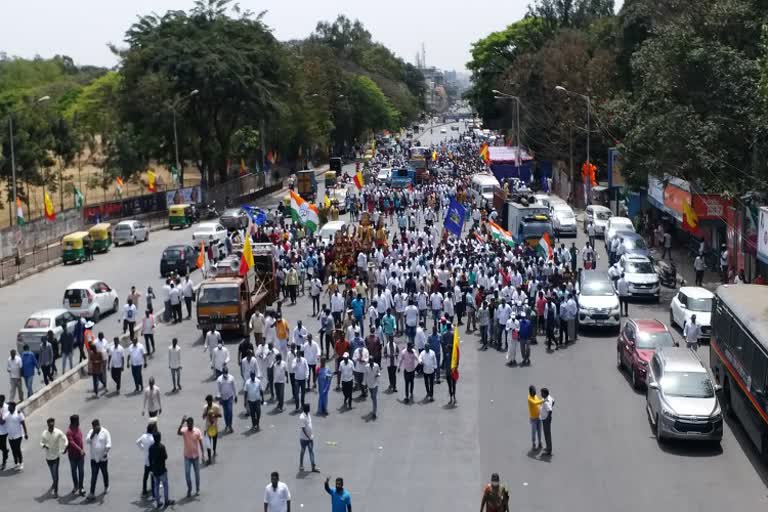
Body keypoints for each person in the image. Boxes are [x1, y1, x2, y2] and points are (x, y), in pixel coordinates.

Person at [40, 417, 68, 497]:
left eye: (52, 424)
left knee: (55, 474)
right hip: (48, 458)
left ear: (54, 424)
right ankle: (54, 483)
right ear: (47, 424)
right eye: (50, 425)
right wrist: (44, 445)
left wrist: (65, 447)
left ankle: (56, 490)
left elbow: (65, 438)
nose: (51, 426)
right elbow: (41, 443)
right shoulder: (44, 433)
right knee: (53, 474)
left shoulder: (58, 432)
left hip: (56, 457)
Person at [177, 416, 204, 497]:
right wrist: (181, 423)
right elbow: (178, 433)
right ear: (187, 424)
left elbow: (200, 442)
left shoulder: (197, 431)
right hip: (187, 457)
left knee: (197, 474)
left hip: (196, 457)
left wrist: (203, 454)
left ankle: (198, 489)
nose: (189, 426)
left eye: (191, 425)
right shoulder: (184, 430)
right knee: (187, 474)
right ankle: (189, 488)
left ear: (193, 424)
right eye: (188, 425)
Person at [86, 419, 111, 499]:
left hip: (103, 458)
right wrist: (92, 434)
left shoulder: (105, 432)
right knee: (94, 476)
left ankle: (106, 486)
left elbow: (109, 443)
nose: (95, 428)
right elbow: (87, 441)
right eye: (93, 427)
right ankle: (92, 493)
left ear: (99, 425)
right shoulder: (91, 432)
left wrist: (105, 452)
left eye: (96, 427)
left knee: (104, 473)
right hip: (94, 458)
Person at [149, 431, 174, 508]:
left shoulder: (151, 448)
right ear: (160, 438)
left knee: (156, 486)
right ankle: (166, 500)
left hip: (155, 470)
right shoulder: (162, 447)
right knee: (165, 485)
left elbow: (150, 458)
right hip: (162, 469)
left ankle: (158, 502)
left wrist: (152, 469)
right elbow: (165, 457)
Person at [65, 414, 86, 496]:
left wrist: (82, 449)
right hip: (73, 456)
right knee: (74, 471)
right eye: (77, 421)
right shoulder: (69, 431)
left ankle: (81, 487)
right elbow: (71, 442)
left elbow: (80, 440)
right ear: (74, 422)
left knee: (81, 471)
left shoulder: (78, 428)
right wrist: (80, 449)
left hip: (80, 456)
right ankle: (76, 486)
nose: (79, 422)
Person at [4, 402, 27, 470]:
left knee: (17, 449)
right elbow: (2, 421)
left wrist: (26, 433)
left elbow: (23, 423)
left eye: (9, 406)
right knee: (13, 450)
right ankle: (16, 463)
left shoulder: (19, 413)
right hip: (10, 436)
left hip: (18, 436)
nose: (8, 407)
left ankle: (21, 463)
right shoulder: (7, 414)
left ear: (13, 407)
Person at [136, 422, 156, 499]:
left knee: (145, 476)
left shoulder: (143, 436)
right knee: (153, 477)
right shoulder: (152, 439)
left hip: (146, 460)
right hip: (152, 460)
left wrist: (143, 448)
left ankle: (144, 491)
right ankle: (154, 493)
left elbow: (137, 442)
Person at [216, 366, 237, 433]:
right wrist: (219, 398)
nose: (226, 374)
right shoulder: (219, 379)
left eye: (226, 372)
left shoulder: (231, 378)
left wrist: (235, 395)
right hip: (223, 398)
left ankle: (230, 425)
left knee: (230, 411)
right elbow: (218, 389)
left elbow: (234, 387)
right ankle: (227, 425)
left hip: (230, 397)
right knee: (225, 412)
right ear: (222, 372)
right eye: (224, 372)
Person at [298, 403, 318, 472]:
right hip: (304, 438)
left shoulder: (308, 414)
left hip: (310, 438)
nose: (309, 409)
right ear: (305, 409)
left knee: (311, 451)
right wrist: (308, 436)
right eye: (308, 408)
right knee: (303, 451)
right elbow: (303, 429)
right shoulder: (302, 417)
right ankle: (301, 465)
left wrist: (310, 436)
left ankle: (313, 467)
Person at [202, 395, 222, 462]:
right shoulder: (205, 407)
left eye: (209, 401)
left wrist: (214, 415)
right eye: (207, 401)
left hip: (214, 427)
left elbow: (220, 415)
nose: (208, 403)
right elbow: (203, 417)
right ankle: (209, 457)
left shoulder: (216, 407)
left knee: (214, 440)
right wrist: (206, 413)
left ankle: (214, 449)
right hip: (207, 427)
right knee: (208, 443)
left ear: (211, 400)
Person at [528, 386, 544, 451]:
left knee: (539, 430)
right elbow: (535, 403)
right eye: (533, 391)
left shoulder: (535, 396)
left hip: (539, 417)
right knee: (534, 431)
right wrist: (543, 400)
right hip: (533, 418)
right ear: (530, 392)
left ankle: (540, 442)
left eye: (535, 391)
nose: (535, 392)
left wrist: (541, 410)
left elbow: (538, 405)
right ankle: (534, 444)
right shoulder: (529, 398)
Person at [540, 388, 554, 456]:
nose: (541, 394)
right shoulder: (549, 397)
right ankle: (548, 447)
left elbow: (550, 410)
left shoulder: (546, 402)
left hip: (546, 420)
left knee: (547, 434)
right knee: (547, 434)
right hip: (546, 419)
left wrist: (547, 418)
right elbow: (553, 401)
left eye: (542, 393)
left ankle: (549, 451)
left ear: (545, 393)